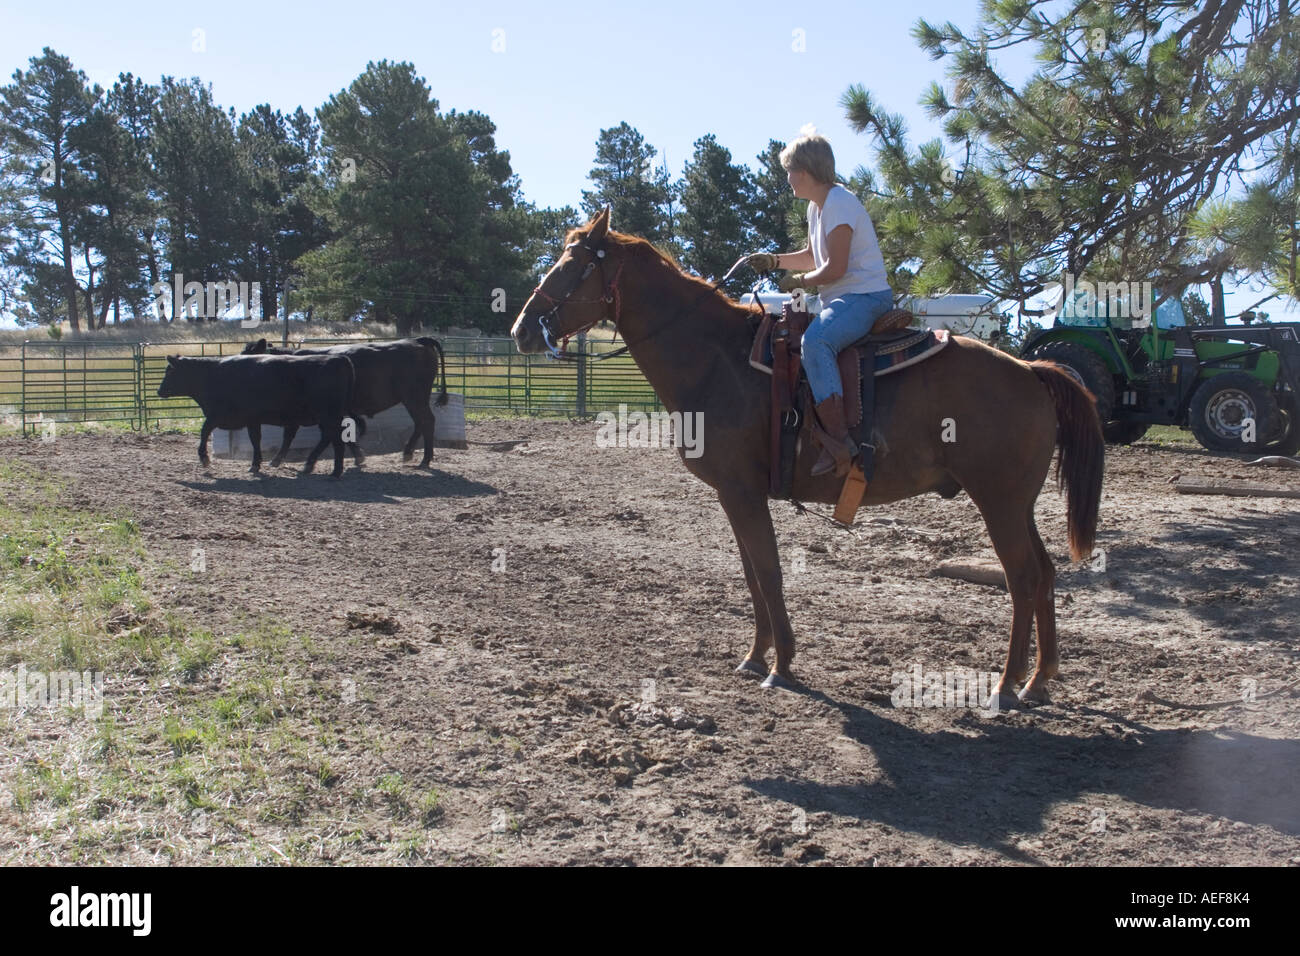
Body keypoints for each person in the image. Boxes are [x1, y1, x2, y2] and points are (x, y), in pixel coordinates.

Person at [746, 127, 893, 477]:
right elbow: (814, 255)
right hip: (844, 298)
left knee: (816, 342)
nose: (788, 178)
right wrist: (775, 260)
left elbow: (836, 267)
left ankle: (839, 441)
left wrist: (800, 282)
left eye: (790, 171)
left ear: (807, 170)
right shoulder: (818, 207)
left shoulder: (840, 202)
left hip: (865, 297)